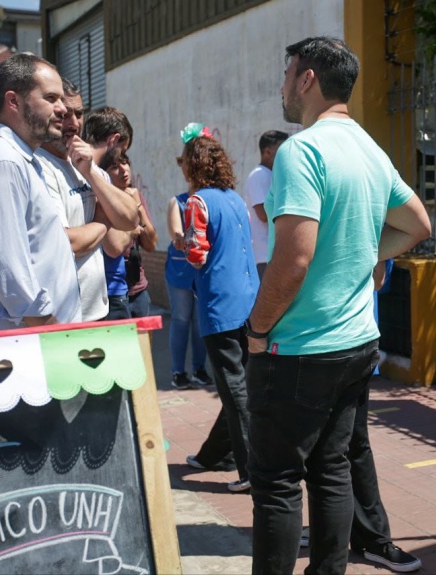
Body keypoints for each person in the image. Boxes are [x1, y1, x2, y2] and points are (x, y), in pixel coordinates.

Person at [244, 37, 432, 574]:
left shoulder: (302, 150)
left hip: (300, 346)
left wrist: (257, 329)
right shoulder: (369, 148)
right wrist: (363, 255)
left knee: (278, 482)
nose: (282, 85)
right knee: (331, 469)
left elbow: (293, 260)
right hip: (355, 343)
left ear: (307, 80)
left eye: (287, 74)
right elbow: (418, 225)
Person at [299, 259, 423, 574]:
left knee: (342, 448)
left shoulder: (360, 211)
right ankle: (345, 533)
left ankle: (368, 538)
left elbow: (380, 274)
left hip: (332, 338)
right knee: (328, 450)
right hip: (331, 338)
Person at [0, 53, 81, 333]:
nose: (62, 109)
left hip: (34, 344)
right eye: (51, 98)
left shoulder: (21, 160)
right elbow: (9, 270)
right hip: (28, 350)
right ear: (14, 101)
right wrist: (53, 333)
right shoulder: (4, 162)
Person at [182, 122, 259, 492]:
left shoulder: (197, 202)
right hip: (249, 299)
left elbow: (197, 255)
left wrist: (183, 245)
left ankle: (250, 471)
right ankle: (216, 454)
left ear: (193, 166)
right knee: (240, 383)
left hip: (219, 304)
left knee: (234, 388)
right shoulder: (235, 199)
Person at [35, 80, 140, 322]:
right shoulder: (38, 167)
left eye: (79, 114)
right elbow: (68, 243)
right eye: (65, 114)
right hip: (62, 317)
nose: (73, 123)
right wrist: (103, 219)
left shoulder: (86, 165)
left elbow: (129, 218)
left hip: (98, 311)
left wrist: (91, 173)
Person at [165, 162, 214, 390]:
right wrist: (185, 237)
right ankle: (178, 371)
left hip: (203, 270)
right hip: (181, 270)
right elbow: (177, 234)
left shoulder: (211, 202)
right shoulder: (178, 202)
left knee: (199, 322)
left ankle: (199, 369)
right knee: (181, 319)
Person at [101, 153, 158, 318]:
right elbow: (115, 247)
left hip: (138, 289)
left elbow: (151, 244)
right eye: (114, 167)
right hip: (112, 293)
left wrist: (138, 205)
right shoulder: (102, 200)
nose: (123, 170)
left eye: (125, 163)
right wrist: (131, 231)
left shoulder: (135, 196)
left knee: (144, 342)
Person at [244, 130, 289, 280]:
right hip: (264, 255)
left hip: (273, 254)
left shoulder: (270, 174)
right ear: (268, 152)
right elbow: (263, 215)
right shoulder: (259, 175)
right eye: (281, 150)